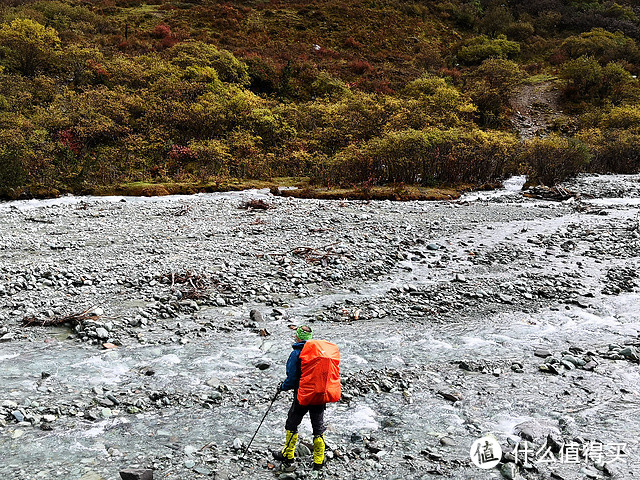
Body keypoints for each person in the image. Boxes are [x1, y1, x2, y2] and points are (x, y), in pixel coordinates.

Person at [273, 325, 326, 471]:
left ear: (298, 337)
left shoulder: (296, 353)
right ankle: (319, 461)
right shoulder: (320, 352)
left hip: (302, 395)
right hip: (319, 395)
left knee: (292, 423)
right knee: (318, 427)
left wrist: (282, 387)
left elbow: (291, 378)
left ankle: (288, 455)